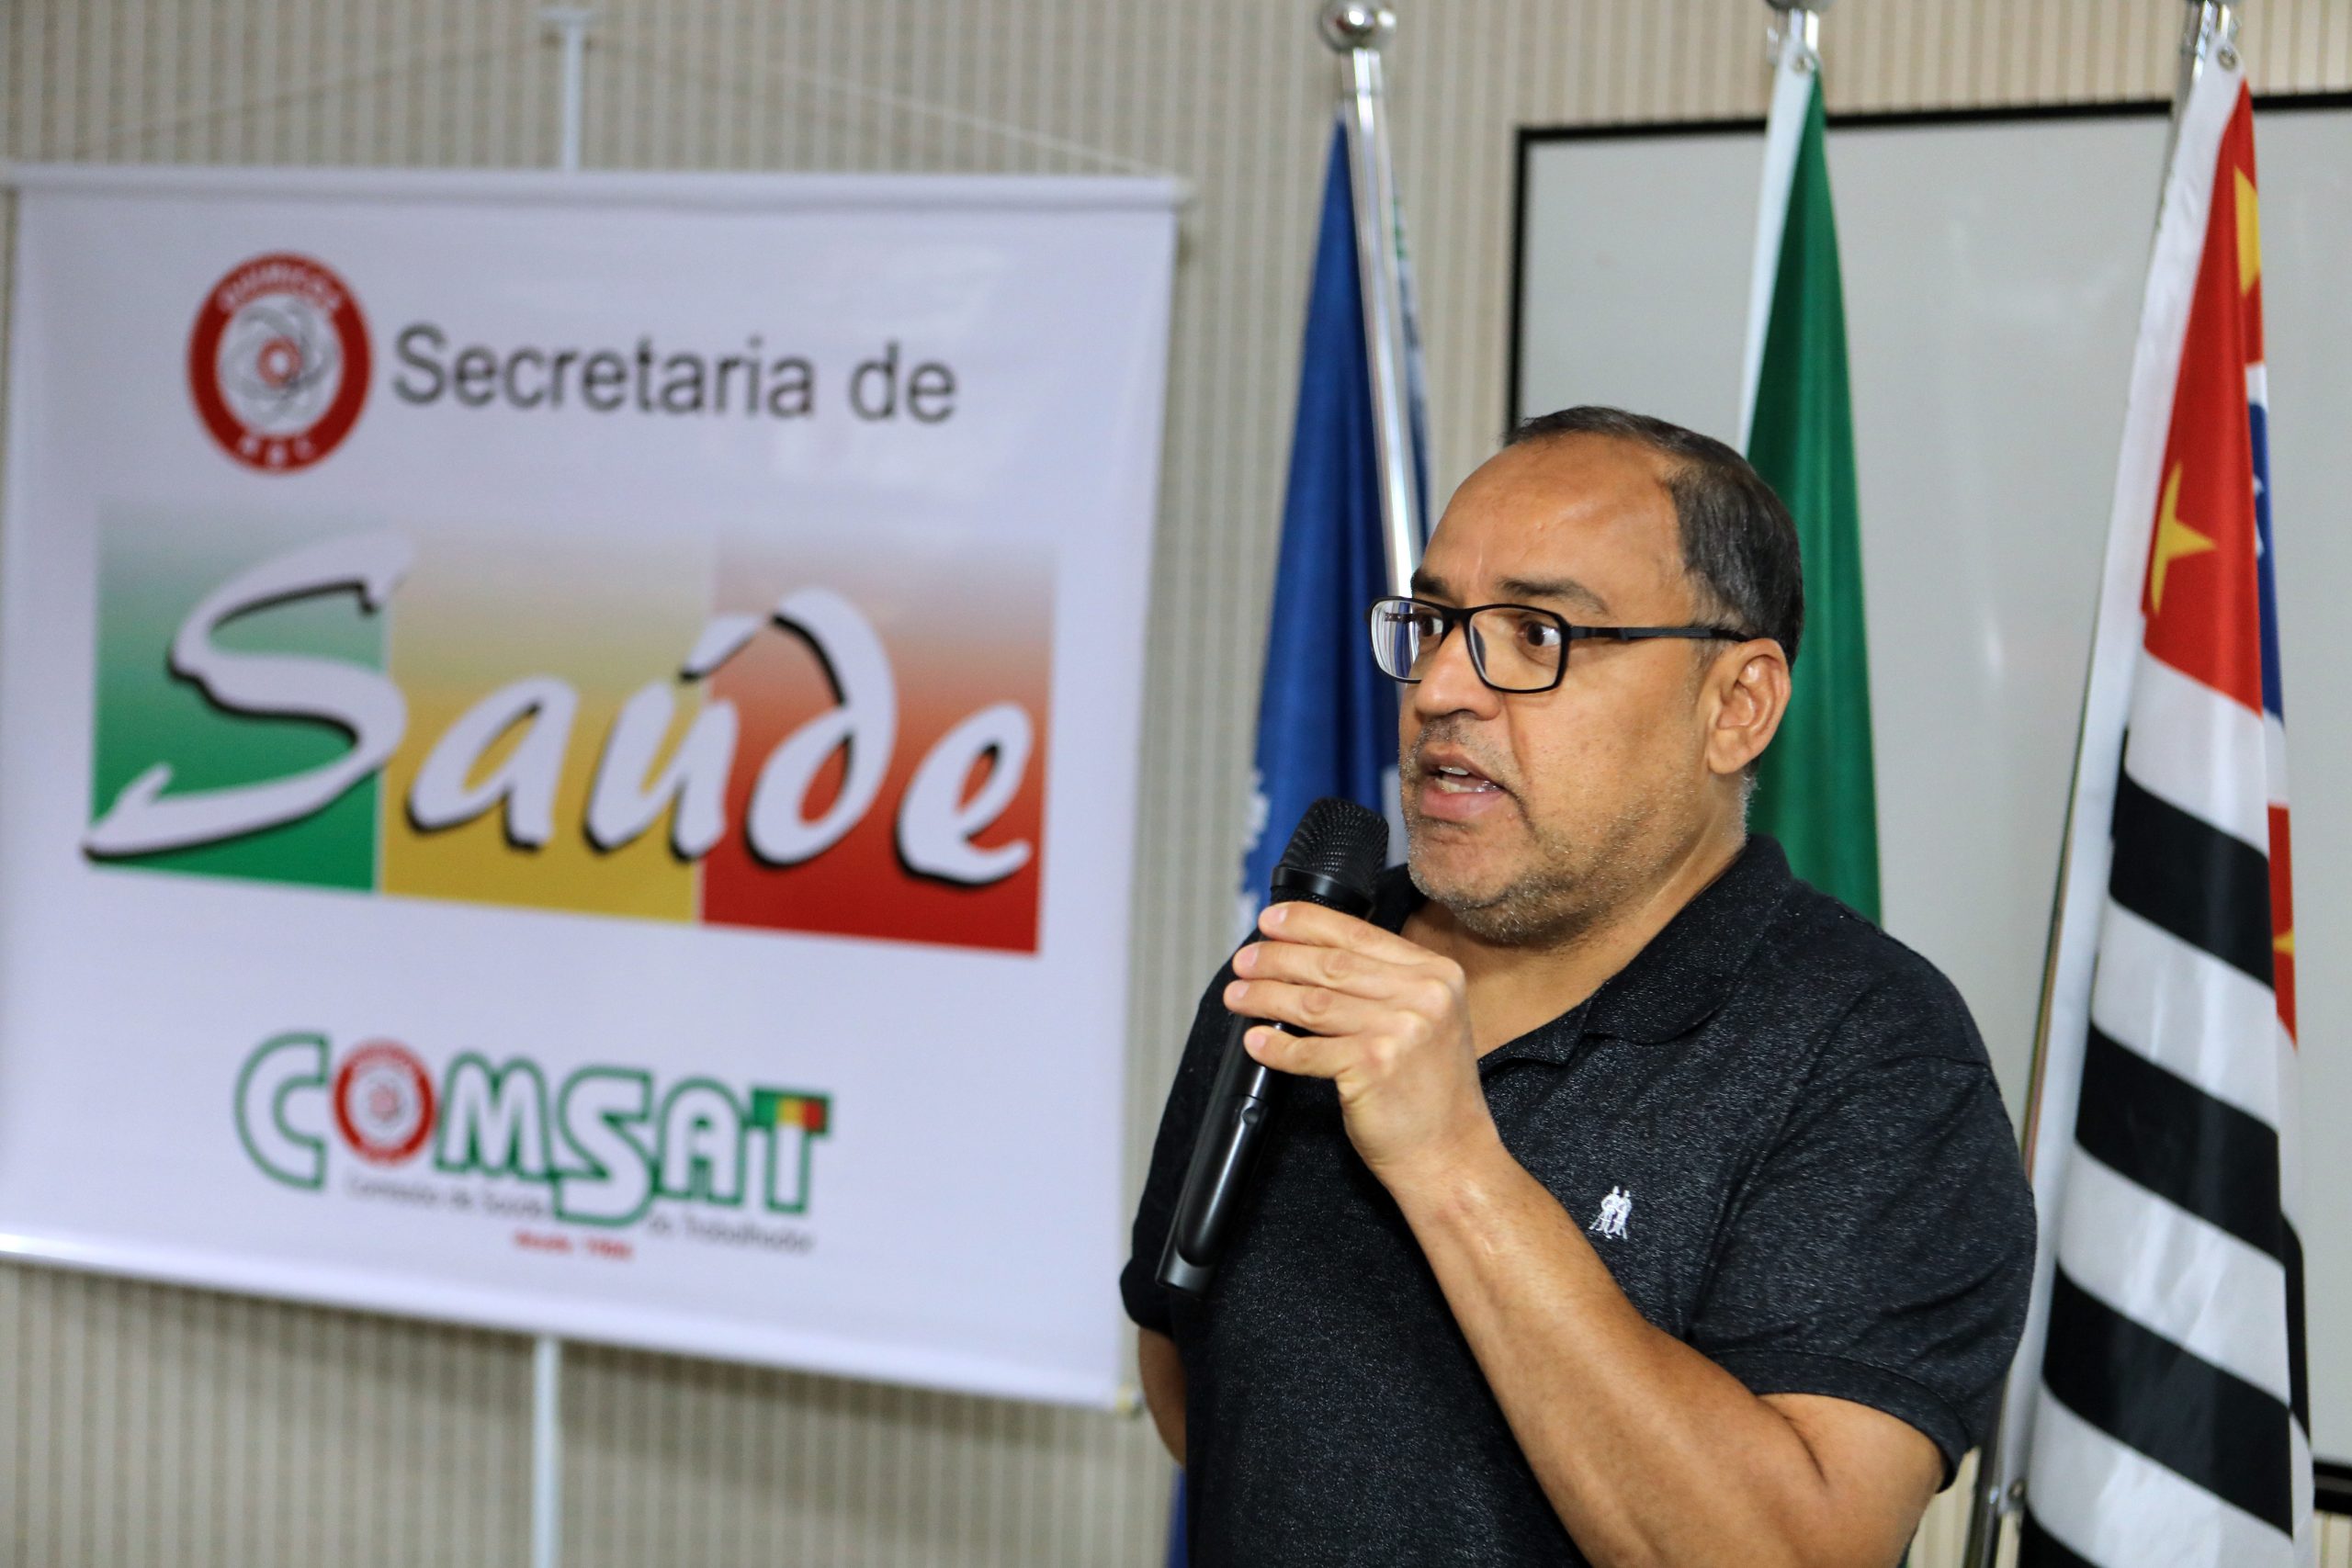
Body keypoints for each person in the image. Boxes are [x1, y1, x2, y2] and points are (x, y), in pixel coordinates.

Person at [1122, 407, 2035, 1567]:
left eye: (1535, 632)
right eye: (1437, 620)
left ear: (1735, 705)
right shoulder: (1317, 961)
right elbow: (1191, 1390)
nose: (1444, 686)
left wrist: (1453, 1165)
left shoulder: (1874, 1058)